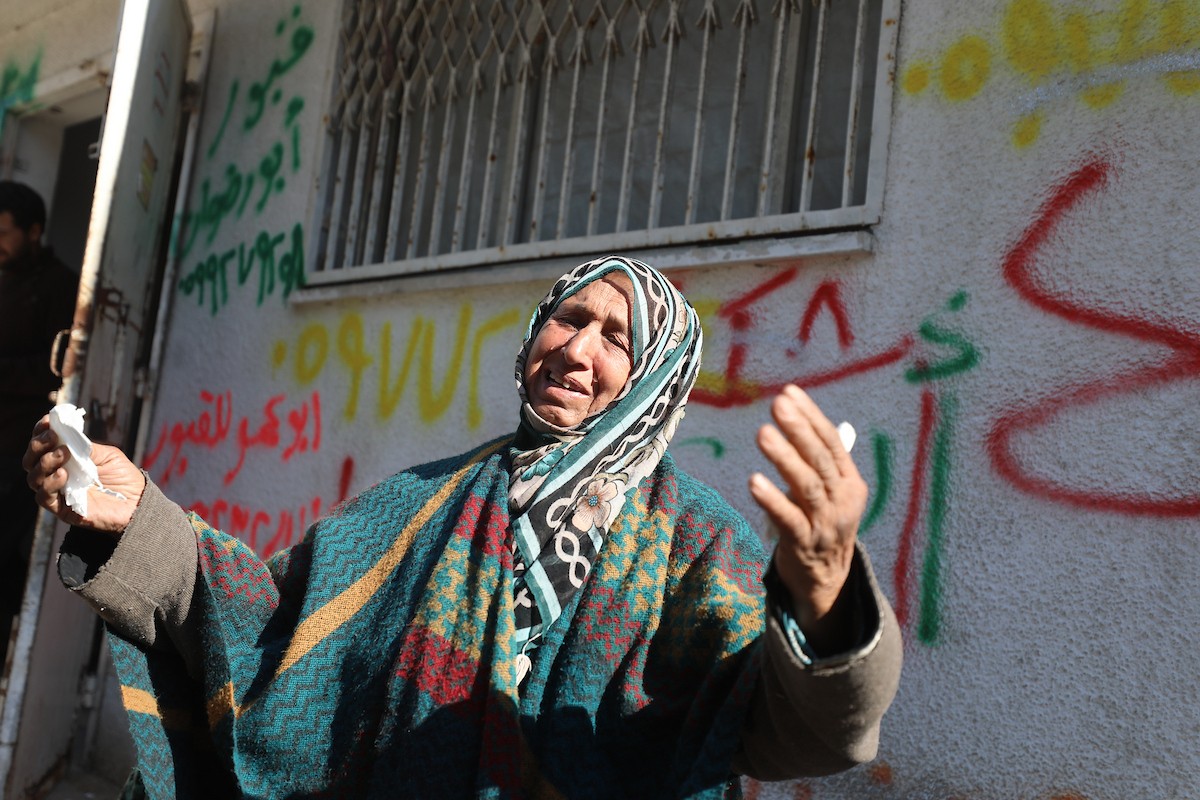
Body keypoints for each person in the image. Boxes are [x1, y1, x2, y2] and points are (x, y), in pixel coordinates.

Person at [25, 255, 901, 798]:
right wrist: (140, 518)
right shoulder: (424, 501)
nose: (578, 350)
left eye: (616, 338)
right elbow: (269, 620)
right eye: (569, 318)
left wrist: (826, 598)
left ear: (654, 381)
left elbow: (786, 730)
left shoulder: (695, 543)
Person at [1, 180, 79, 656]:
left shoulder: (59, 286)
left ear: (33, 232)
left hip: (17, 450)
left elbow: (57, 369)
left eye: (4, 233)